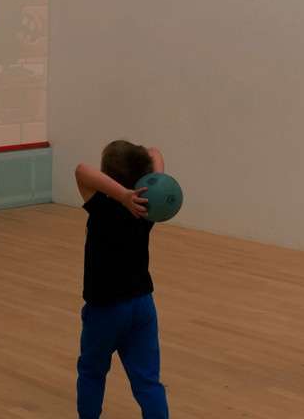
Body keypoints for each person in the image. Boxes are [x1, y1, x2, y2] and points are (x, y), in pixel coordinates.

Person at [74, 140, 170, 419]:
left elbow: (81, 170)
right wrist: (136, 190)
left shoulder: (102, 204)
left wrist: (123, 195)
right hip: (142, 306)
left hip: (105, 309)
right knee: (148, 382)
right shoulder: (148, 206)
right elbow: (155, 150)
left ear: (109, 178)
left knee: (91, 373)